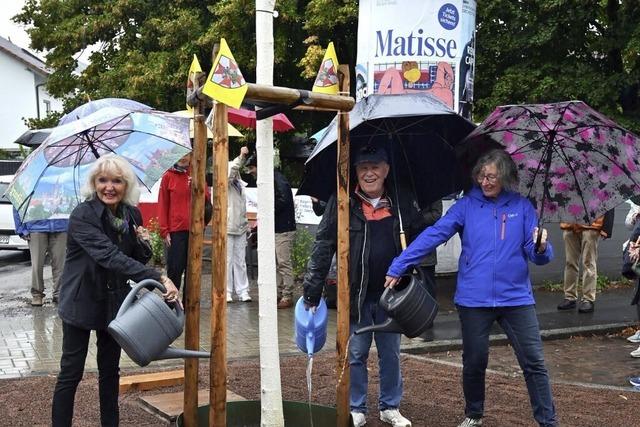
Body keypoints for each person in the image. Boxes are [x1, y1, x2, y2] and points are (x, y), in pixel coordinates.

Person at [384, 149, 557, 427]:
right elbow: (434, 234)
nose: (485, 181)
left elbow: (536, 255)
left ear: (506, 177)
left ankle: (548, 421)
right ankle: (474, 413)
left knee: (534, 362)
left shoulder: (522, 207)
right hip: (473, 299)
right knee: (475, 360)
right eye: (481, 175)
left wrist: (541, 247)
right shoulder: (466, 206)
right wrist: (400, 264)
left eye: (492, 177)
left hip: (516, 299)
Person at [51, 155, 179, 427]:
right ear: (94, 183)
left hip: (115, 303)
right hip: (80, 301)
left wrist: (144, 244)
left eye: (116, 181)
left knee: (110, 371)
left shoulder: (131, 213)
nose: (109, 187)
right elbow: (109, 256)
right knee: (71, 372)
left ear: (126, 184)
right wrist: (159, 277)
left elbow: (135, 257)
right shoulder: (82, 215)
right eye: (103, 180)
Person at [303, 144, 424, 427]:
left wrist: (414, 270)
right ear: (355, 171)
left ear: (386, 170)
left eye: (375, 167)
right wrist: (312, 289)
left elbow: (420, 240)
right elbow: (324, 244)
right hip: (354, 294)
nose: (369, 173)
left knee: (390, 353)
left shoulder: (400, 202)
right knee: (355, 353)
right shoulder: (343, 201)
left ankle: (390, 407)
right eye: (363, 167)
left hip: (392, 295)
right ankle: (357, 407)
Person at [246, 154, 297, 309]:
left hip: (283, 228)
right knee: (276, 262)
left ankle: (287, 294)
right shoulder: (272, 179)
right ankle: (280, 293)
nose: (250, 172)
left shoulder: (277, 179)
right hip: (276, 227)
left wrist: (268, 210)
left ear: (259, 166)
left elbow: (284, 200)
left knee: (283, 262)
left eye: (252, 168)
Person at [158, 153, 210, 295]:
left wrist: (197, 186)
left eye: (187, 154)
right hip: (176, 231)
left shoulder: (196, 174)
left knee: (193, 272)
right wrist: (164, 230)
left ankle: (189, 310)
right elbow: (163, 204)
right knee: (175, 270)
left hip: (196, 230)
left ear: (192, 155)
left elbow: (206, 199)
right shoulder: (168, 176)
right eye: (180, 154)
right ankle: (170, 307)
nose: (183, 157)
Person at [557, 209, 614, 313]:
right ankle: (570, 297)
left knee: (589, 263)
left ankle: (588, 299)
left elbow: (608, 199)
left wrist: (606, 228)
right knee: (570, 262)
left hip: (591, 224)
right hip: (570, 224)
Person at [13, 209, 68, 306]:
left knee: (60, 264)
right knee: (37, 264)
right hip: (36, 227)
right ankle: (37, 294)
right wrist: (21, 229)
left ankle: (59, 294)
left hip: (60, 227)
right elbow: (18, 204)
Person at [227, 146, 251, 303]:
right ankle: (227, 291)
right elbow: (231, 171)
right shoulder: (225, 182)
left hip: (240, 226)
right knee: (227, 261)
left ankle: (243, 291)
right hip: (227, 226)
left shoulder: (240, 184)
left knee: (240, 261)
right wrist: (241, 156)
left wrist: (246, 224)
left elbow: (243, 206)